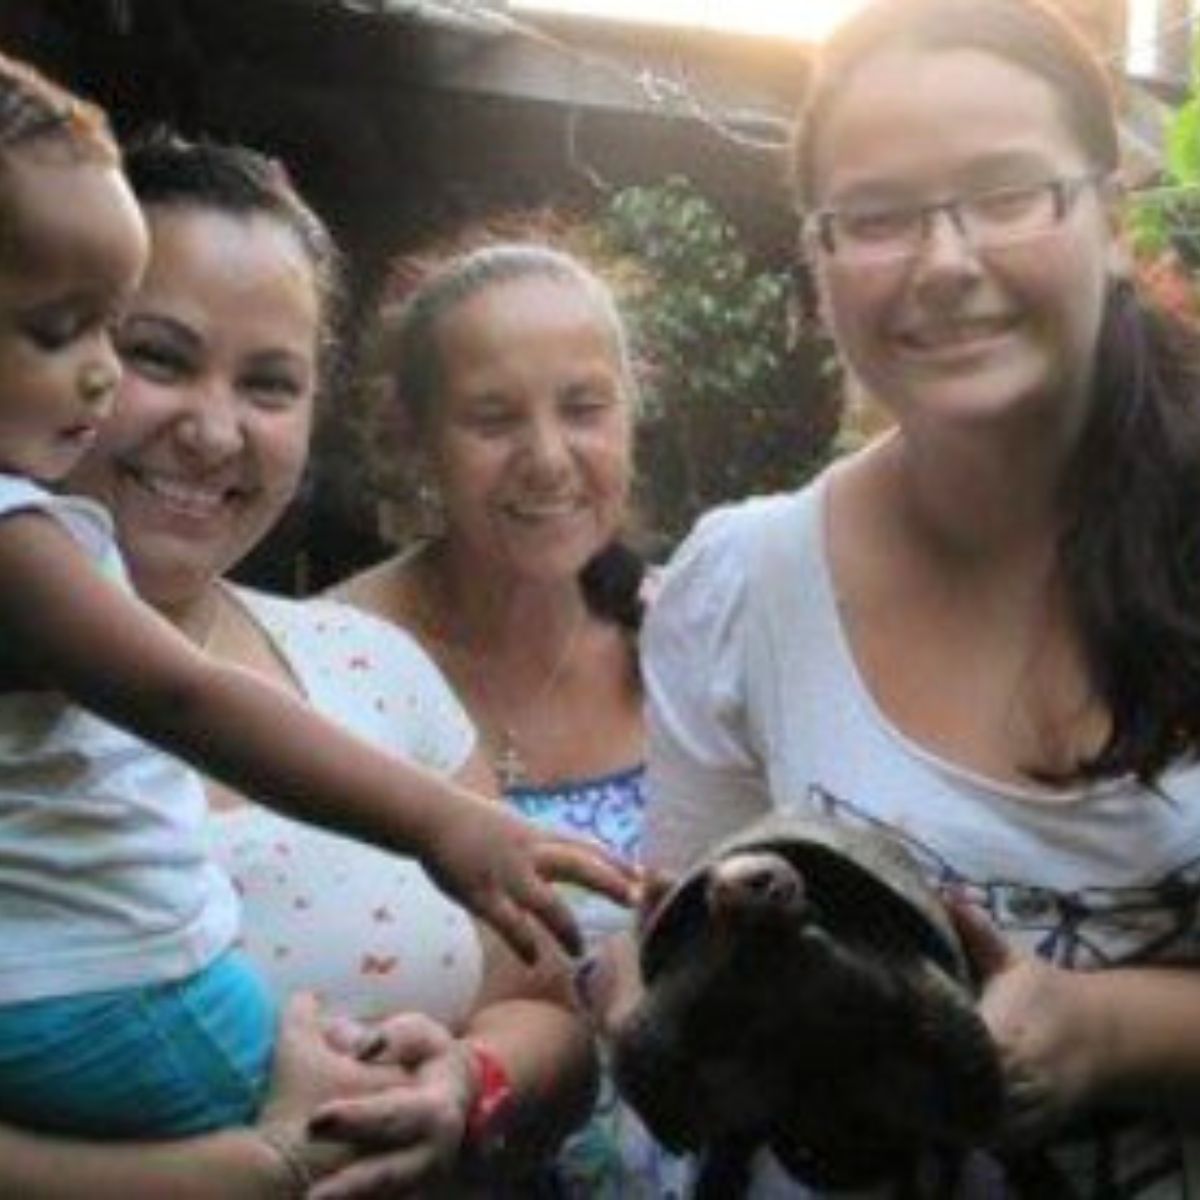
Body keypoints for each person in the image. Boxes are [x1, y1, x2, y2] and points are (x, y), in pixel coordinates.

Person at [0, 55, 631, 1139]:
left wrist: (468, 1088)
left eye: (268, 384)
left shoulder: (371, 661)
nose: (211, 430)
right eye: (152, 353)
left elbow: (541, 1009)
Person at [641, 0, 1200, 1194]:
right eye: (880, 217)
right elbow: (675, 954)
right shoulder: (739, 584)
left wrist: (1109, 1036)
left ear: (1109, 217)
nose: (946, 263)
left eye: (1008, 194)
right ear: (820, 259)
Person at [334, 243, 687, 1196]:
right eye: (492, 418)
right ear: (414, 441)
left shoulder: (692, 642)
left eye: (583, 408)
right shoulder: (322, 663)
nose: (546, 457)